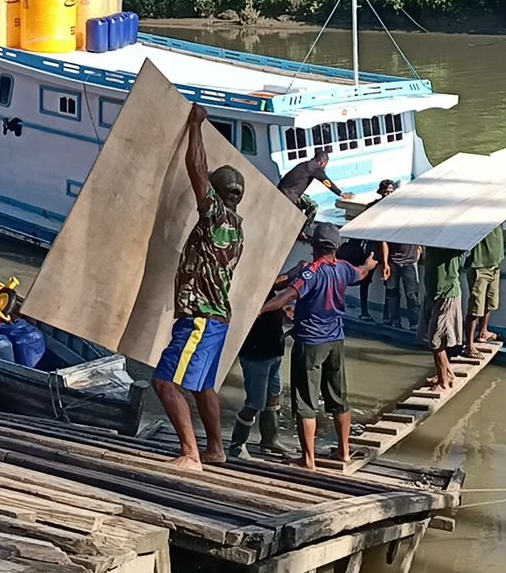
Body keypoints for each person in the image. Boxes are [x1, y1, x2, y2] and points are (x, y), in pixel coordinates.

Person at [152, 104, 245, 471]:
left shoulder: (215, 215)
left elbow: (196, 170)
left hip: (200, 319)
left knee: (164, 382)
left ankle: (191, 454)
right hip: (218, 319)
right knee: (204, 385)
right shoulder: (237, 226)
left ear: (218, 194)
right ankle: (216, 449)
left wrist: (195, 126)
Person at [260, 223, 377, 469]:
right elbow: (361, 273)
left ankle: (308, 460)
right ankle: (344, 453)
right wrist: (370, 264)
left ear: (314, 245)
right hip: (336, 340)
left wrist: (259, 309)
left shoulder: (311, 272)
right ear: (337, 247)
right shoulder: (344, 269)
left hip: (310, 342)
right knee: (338, 397)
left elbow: (288, 295)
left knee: (305, 402)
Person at [228, 287, 290, 459]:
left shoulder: (269, 287)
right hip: (256, 354)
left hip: (274, 350)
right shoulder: (255, 284)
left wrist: (283, 310)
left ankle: (270, 440)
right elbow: (277, 282)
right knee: (255, 402)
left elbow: (277, 285)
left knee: (274, 396)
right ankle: (237, 444)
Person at [339, 179, 395, 321]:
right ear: (381, 192)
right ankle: (364, 311)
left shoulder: (394, 207)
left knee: (388, 283)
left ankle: (386, 315)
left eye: (391, 191)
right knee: (365, 280)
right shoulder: (373, 207)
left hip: (386, 248)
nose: (388, 194)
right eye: (386, 191)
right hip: (373, 248)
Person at [277, 150, 354, 238]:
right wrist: (341, 193)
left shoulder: (304, 164)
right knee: (313, 206)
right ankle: (301, 231)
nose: (325, 168)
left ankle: (299, 226)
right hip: (290, 196)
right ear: (322, 163)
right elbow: (326, 182)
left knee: (305, 200)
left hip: (283, 191)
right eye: (325, 165)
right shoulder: (316, 168)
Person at [418, 246, 465, 391]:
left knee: (436, 340)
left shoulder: (453, 243)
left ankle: (444, 381)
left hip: (446, 294)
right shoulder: (432, 241)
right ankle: (446, 373)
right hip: (432, 292)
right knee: (430, 337)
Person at [464, 225, 505, 358]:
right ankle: (469, 345)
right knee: (475, 307)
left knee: (490, 302)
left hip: (494, 265)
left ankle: (483, 332)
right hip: (479, 267)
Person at [382, 237, 421, 329]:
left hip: (410, 261)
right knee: (391, 292)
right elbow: (384, 241)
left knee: (412, 294)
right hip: (392, 260)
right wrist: (385, 263)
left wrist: (418, 254)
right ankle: (394, 321)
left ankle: (415, 324)